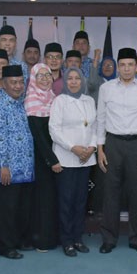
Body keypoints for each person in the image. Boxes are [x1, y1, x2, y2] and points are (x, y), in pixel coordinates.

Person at [96, 47, 137, 254]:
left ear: (136, 66)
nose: (127, 68)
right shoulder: (107, 89)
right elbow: (100, 119)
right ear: (117, 67)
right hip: (113, 144)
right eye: (123, 65)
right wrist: (100, 149)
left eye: (131, 64)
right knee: (110, 192)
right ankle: (109, 238)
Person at [49, 67, 97, 256]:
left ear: (82, 81)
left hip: (86, 159)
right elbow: (54, 130)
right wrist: (73, 148)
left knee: (80, 202)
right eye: (70, 78)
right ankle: (66, 240)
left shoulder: (90, 100)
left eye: (78, 78)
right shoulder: (59, 101)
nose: (74, 81)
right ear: (65, 81)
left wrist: (91, 148)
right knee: (66, 202)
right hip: (67, 158)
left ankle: (78, 238)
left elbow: (94, 127)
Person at [0, 65, 36, 259]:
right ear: (4, 84)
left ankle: (17, 240)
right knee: (6, 209)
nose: (18, 86)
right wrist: (3, 165)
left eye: (20, 82)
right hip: (7, 168)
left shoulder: (22, 104)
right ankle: (5, 246)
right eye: (13, 83)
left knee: (20, 208)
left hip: (24, 168)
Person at [24, 63, 59, 252]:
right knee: (42, 199)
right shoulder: (31, 100)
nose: (45, 78)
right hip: (41, 158)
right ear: (33, 79)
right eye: (40, 76)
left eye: (48, 75)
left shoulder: (53, 98)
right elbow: (38, 135)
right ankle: (42, 240)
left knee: (52, 198)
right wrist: (51, 159)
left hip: (54, 156)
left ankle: (53, 237)